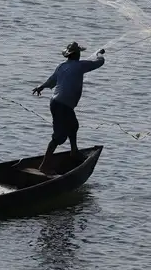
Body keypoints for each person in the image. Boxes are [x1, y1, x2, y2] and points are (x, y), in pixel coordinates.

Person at [32, 41, 105, 173]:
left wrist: (41, 86)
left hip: (56, 103)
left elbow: (51, 81)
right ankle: (44, 165)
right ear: (77, 55)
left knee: (73, 126)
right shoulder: (81, 65)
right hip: (62, 105)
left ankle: (74, 151)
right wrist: (99, 54)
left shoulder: (61, 67)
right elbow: (99, 62)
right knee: (59, 137)